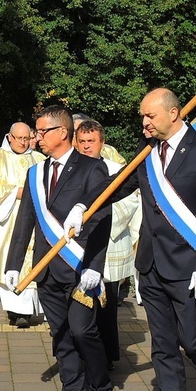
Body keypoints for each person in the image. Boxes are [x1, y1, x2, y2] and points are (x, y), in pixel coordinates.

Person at [64, 88, 196, 391]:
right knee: (163, 347)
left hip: (190, 268)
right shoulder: (148, 154)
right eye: (142, 116)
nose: (143, 122)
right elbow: (115, 187)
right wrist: (84, 206)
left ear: (173, 114)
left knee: (194, 341)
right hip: (152, 266)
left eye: (149, 116)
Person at [4, 105, 115, 391]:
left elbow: (100, 219)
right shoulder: (35, 173)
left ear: (62, 132)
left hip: (80, 268)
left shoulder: (92, 168)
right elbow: (25, 221)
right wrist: (14, 263)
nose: (36, 138)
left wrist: (95, 264)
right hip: (47, 268)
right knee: (61, 335)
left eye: (41, 132)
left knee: (83, 331)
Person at [76, 119, 141, 369]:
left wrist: (96, 223)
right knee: (82, 304)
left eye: (91, 141)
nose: (86, 146)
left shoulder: (117, 168)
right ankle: (84, 354)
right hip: (79, 249)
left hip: (111, 244)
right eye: (81, 141)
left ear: (102, 143)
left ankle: (108, 355)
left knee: (107, 306)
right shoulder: (73, 170)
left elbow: (130, 203)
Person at [0, 122, 46, 328]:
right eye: (20, 139)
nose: (23, 143)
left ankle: (27, 311)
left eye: (27, 139)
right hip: (8, 220)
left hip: (35, 219)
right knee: (9, 260)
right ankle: (14, 309)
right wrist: (14, 192)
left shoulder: (39, 159)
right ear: (10, 137)